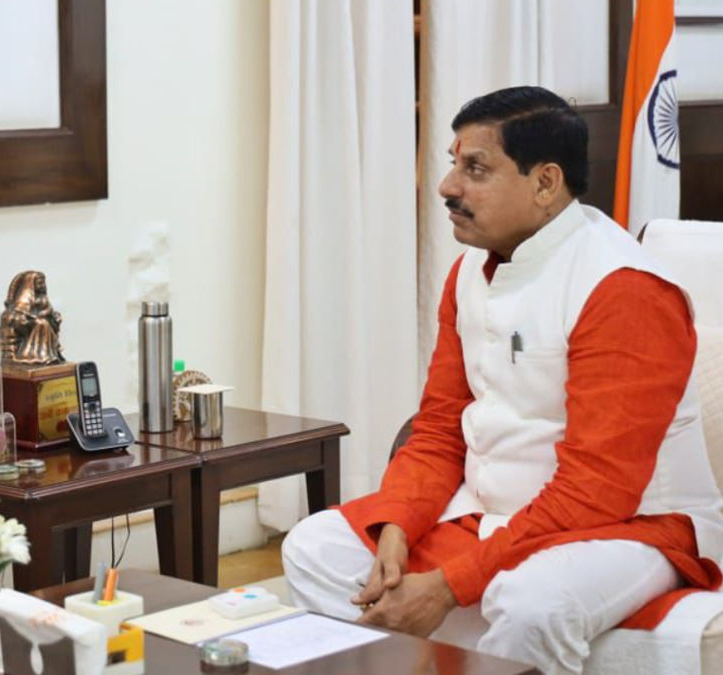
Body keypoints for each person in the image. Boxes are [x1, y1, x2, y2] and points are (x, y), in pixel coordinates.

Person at [282, 86, 723, 674]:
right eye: (453, 163)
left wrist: (449, 584)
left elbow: (598, 491)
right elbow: (439, 428)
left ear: (545, 183)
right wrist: (394, 526)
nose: (447, 187)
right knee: (314, 550)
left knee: (531, 604)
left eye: (475, 169)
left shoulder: (624, 289)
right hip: (497, 505)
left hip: (630, 526)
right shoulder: (471, 268)